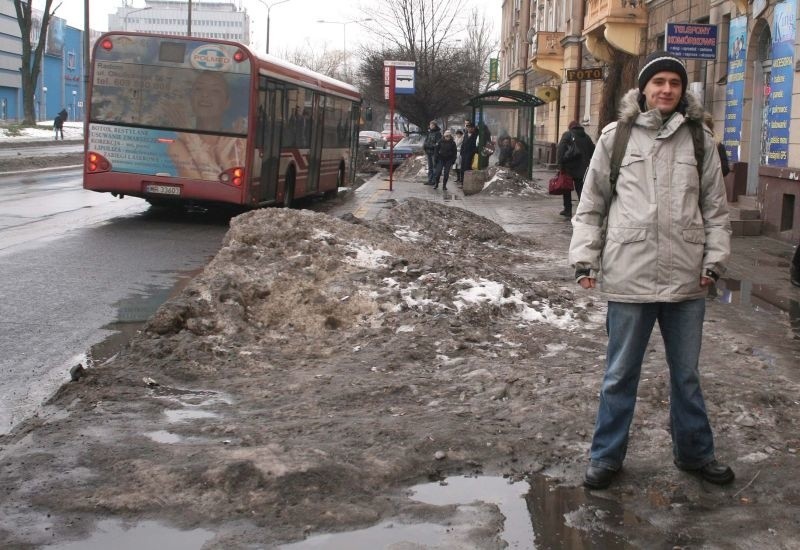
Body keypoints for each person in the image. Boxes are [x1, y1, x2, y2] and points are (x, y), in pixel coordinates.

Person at [568, 51, 734, 490]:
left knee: (687, 375)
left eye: (674, 83)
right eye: (658, 81)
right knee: (620, 374)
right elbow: (591, 206)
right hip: (630, 276)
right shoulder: (615, 137)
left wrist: (714, 263)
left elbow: (716, 210)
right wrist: (585, 258)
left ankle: (696, 454)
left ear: (682, 91)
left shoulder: (700, 139)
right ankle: (606, 457)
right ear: (643, 89)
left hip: (687, 278)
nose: (665, 89)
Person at [167, 71, 246, 180]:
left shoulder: (240, 144)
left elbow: (232, 187)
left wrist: (223, 157)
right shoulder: (177, 146)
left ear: (227, 103)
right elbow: (198, 186)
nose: (205, 95)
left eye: (215, 91)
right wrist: (188, 136)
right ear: (191, 99)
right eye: (199, 89)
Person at [556, 120, 595, 218]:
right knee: (581, 190)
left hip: (569, 168)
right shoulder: (586, 137)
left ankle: (568, 210)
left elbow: (560, 150)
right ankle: (584, 211)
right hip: (583, 169)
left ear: (570, 127)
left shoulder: (567, 135)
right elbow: (593, 151)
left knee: (566, 189)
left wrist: (560, 165)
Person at [703, 113, 730, 177]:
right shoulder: (694, 142)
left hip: (711, 184)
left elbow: (725, 169)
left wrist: (710, 174)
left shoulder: (718, 145)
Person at [423, 120, 442, 185]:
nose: (430, 126)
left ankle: (434, 180)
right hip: (428, 152)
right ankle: (429, 180)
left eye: (432, 125)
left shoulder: (438, 133)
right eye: (430, 124)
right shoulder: (429, 133)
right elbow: (426, 141)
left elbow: (437, 144)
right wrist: (425, 146)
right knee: (430, 167)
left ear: (435, 125)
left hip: (434, 153)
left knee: (434, 167)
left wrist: (430, 145)